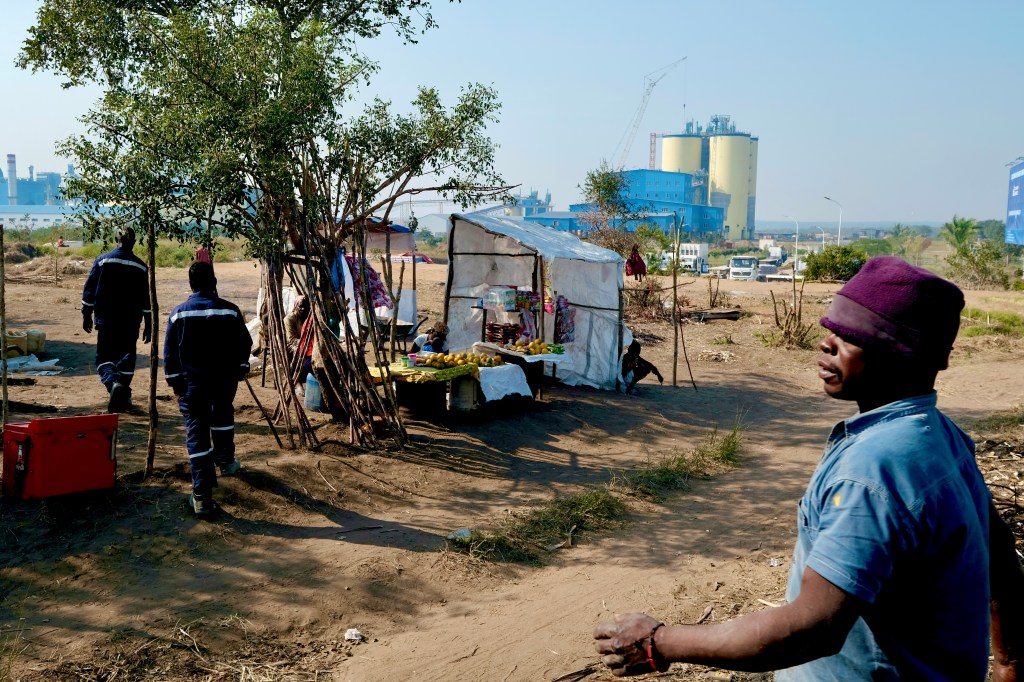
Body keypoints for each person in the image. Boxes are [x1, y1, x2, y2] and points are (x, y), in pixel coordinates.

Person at [594, 256, 1024, 681]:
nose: (826, 343)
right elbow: (1001, 556)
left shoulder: (875, 470)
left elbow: (812, 629)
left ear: (900, 355)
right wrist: (1010, 661)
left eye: (849, 336)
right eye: (830, 329)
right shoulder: (937, 434)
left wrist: (659, 643)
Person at [164, 261, 253, 518]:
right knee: (223, 416)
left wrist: (176, 385)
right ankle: (225, 462)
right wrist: (240, 367)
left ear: (191, 285)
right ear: (214, 282)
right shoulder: (231, 311)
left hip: (193, 387)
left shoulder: (179, 314)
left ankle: (202, 496)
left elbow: (170, 356)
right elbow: (243, 344)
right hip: (223, 383)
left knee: (198, 433)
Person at [81, 227, 152, 413]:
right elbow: (146, 298)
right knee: (127, 358)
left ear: (117, 238)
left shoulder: (103, 260)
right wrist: (148, 324)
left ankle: (113, 385)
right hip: (130, 322)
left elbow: (89, 289)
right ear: (134, 242)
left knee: (104, 358)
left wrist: (86, 313)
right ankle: (123, 395)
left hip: (106, 320)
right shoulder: (141, 266)